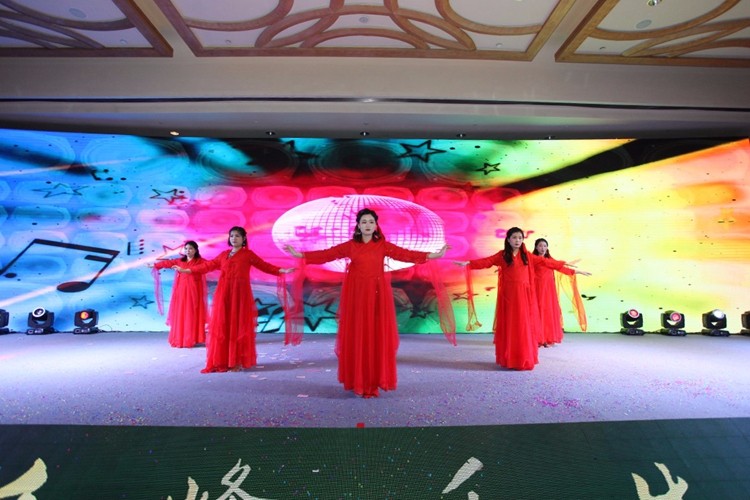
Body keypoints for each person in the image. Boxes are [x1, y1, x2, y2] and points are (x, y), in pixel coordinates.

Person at [285, 208, 449, 398]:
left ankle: (373, 381)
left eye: (371, 222)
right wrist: (301, 255)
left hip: (377, 297)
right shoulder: (350, 246)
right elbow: (327, 254)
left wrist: (434, 255)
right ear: (358, 225)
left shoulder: (383, 246)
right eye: (364, 222)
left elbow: (406, 254)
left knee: (375, 334)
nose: (368, 225)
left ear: (376, 225)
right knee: (357, 335)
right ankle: (358, 380)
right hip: (356, 297)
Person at [455, 227, 589, 371]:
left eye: (520, 238)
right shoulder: (502, 255)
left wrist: (571, 269)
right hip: (509, 297)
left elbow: (547, 263)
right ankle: (510, 359)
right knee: (511, 326)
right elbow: (487, 261)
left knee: (524, 326)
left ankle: (523, 358)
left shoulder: (528, 256)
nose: (517, 240)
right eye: (514, 237)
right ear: (508, 240)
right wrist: (469, 263)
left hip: (524, 297)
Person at [180, 226, 296, 373]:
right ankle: (223, 360)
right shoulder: (224, 255)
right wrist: (189, 270)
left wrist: (281, 270)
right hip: (223, 294)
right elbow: (208, 266)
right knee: (223, 325)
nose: (234, 238)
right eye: (232, 236)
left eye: (237, 236)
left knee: (238, 325)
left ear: (243, 238)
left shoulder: (248, 254)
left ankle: (236, 360)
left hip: (240, 295)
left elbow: (264, 266)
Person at [147, 240, 208, 348]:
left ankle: (192, 338)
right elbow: (167, 263)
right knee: (181, 313)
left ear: (195, 250)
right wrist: (154, 265)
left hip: (194, 292)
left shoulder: (200, 261)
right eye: (186, 248)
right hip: (181, 292)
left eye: (191, 248)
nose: (188, 251)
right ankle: (181, 338)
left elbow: (211, 265)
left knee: (192, 313)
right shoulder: (180, 261)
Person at [532, 238, 588, 346]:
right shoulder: (532, 259)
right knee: (537, 312)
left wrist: (578, 271)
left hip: (548, 291)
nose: (543, 248)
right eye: (540, 246)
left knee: (548, 312)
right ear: (536, 247)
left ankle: (546, 338)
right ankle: (537, 338)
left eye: (545, 246)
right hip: (536, 289)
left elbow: (562, 268)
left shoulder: (550, 260)